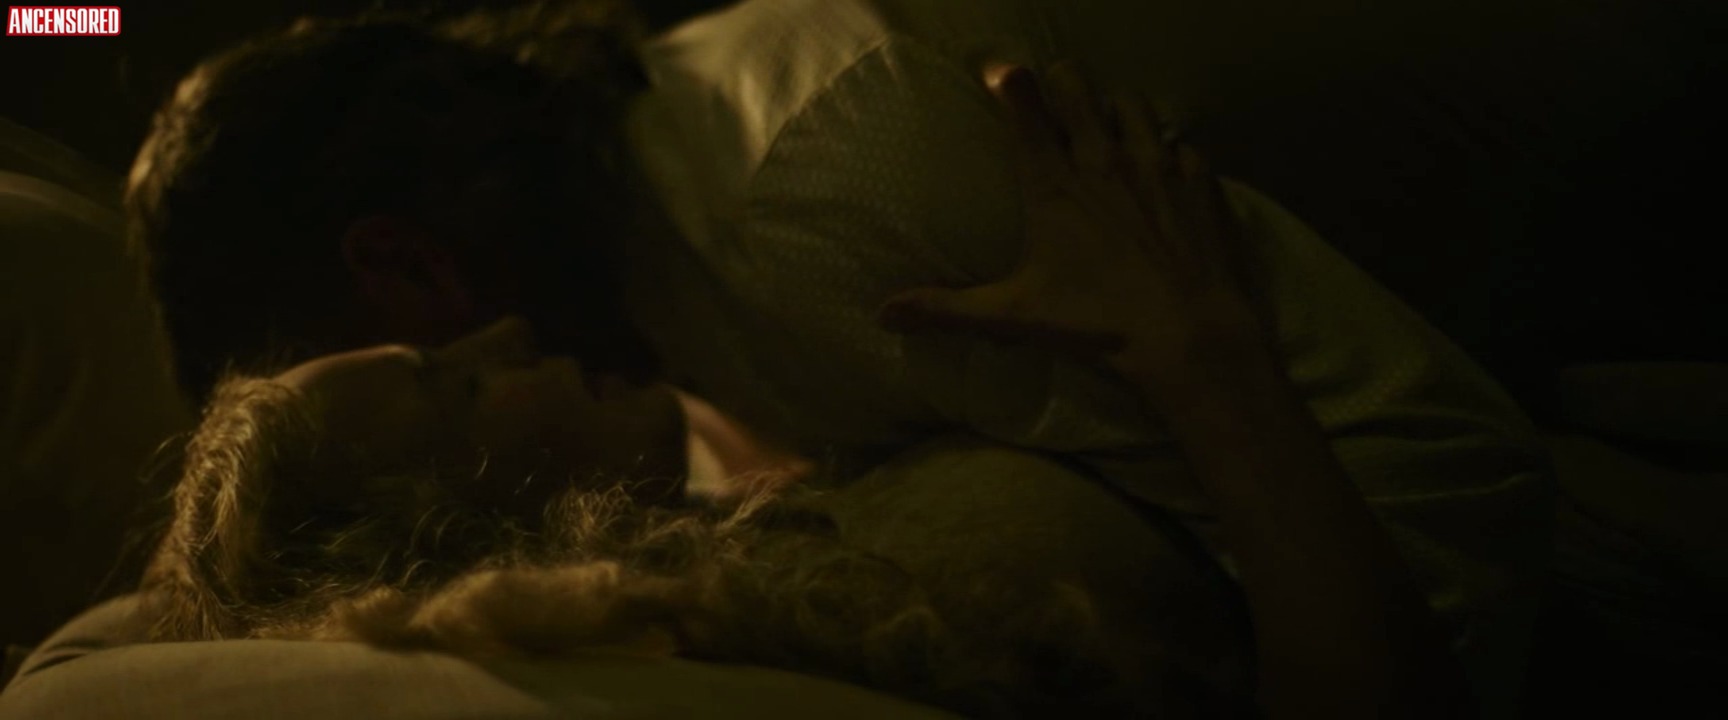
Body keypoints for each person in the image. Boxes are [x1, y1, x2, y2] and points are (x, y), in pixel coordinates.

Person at [127, 1, 1550, 714]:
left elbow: (1446, 521)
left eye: (413, 360)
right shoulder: (662, 289)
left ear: (403, 264)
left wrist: (1211, 364)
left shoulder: (822, 195)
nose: (498, 349)